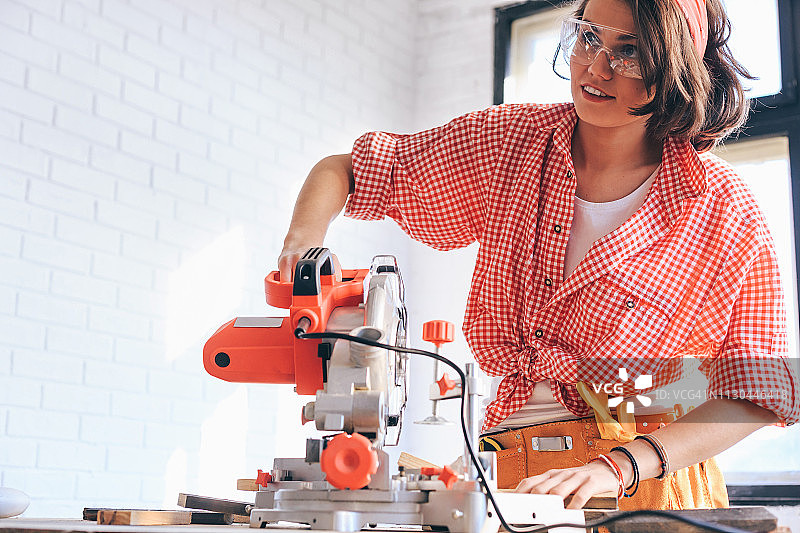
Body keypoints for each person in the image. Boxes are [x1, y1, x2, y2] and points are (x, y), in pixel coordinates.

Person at [278, 0, 800, 511]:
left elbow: (756, 393)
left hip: (645, 491)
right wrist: (302, 244)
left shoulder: (723, 209)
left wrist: (617, 466)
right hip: (509, 477)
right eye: (589, 36)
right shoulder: (511, 144)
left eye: (632, 52)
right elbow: (348, 170)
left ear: (676, 70)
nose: (596, 67)